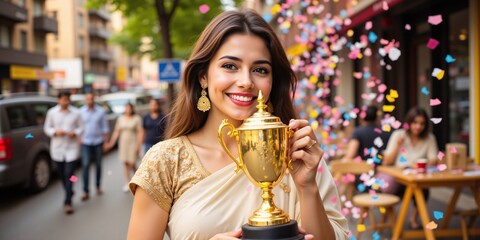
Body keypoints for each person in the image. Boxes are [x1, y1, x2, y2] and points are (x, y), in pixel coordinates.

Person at [127, 10, 348, 240]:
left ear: (273, 81)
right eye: (230, 66)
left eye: (260, 70)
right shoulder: (167, 161)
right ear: (203, 76)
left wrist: (307, 187)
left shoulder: (298, 152)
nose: (246, 82)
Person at [382, 107, 438, 229]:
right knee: (393, 189)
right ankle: (390, 217)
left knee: (423, 190)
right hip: (398, 178)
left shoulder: (429, 138)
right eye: (415, 122)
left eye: (422, 123)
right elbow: (387, 162)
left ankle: (413, 218)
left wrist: (419, 165)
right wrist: (397, 146)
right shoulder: (398, 135)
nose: (418, 126)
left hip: (417, 177)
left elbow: (433, 160)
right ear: (409, 123)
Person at [44, 91, 83, 214]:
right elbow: (47, 128)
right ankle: (69, 190)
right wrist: (55, 132)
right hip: (57, 148)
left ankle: (67, 201)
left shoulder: (76, 113)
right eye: (63, 99)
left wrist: (75, 133)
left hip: (72, 147)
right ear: (59, 100)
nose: (66, 102)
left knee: (70, 173)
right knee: (61, 174)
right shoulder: (52, 113)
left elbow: (81, 127)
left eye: (67, 99)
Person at [106, 103, 143, 192]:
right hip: (123, 143)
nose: (128, 110)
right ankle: (127, 182)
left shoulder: (137, 118)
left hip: (132, 142)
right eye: (126, 108)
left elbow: (140, 132)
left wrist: (138, 145)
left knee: (132, 163)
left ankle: (139, 181)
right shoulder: (120, 118)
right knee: (125, 164)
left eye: (129, 108)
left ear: (132, 109)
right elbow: (116, 131)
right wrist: (111, 143)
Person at [80, 93, 109, 201]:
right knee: (86, 165)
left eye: (91, 99)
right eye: (88, 99)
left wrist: (106, 142)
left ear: (94, 100)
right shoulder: (81, 112)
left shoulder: (100, 111)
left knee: (98, 165)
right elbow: (78, 127)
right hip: (85, 143)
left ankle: (97, 186)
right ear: (85, 100)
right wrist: (79, 139)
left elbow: (105, 128)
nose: (90, 101)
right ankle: (86, 190)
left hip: (98, 142)